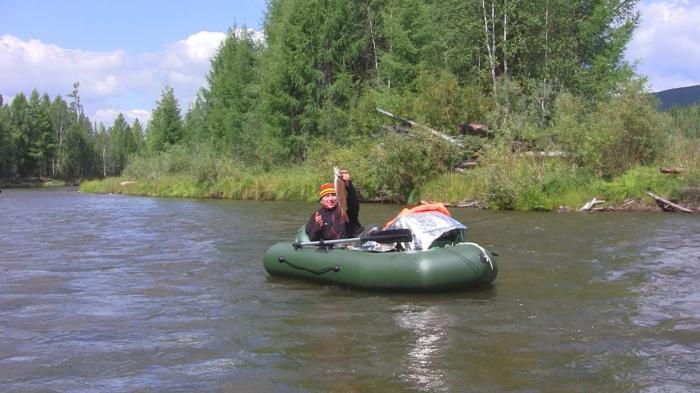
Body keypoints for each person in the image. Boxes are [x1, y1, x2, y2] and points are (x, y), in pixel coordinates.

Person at [305, 169, 363, 241]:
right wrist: (317, 227)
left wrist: (348, 185)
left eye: (333, 195)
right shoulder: (316, 216)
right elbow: (312, 239)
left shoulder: (344, 207)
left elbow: (354, 204)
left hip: (355, 240)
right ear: (321, 201)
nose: (331, 199)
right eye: (327, 196)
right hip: (336, 247)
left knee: (373, 227)